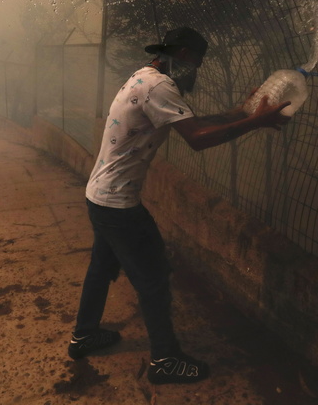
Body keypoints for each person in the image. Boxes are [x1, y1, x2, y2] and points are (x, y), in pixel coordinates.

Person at [69, 27, 290, 385]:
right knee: (153, 277)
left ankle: (84, 334)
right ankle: (165, 360)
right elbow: (199, 139)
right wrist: (256, 122)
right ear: (186, 56)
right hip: (118, 204)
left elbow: (195, 123)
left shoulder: (145, 77)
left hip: (100, 197)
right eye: (197, 64)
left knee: (101, 267)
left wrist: (245, 111)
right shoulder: (159, 87)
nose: (196, 72)